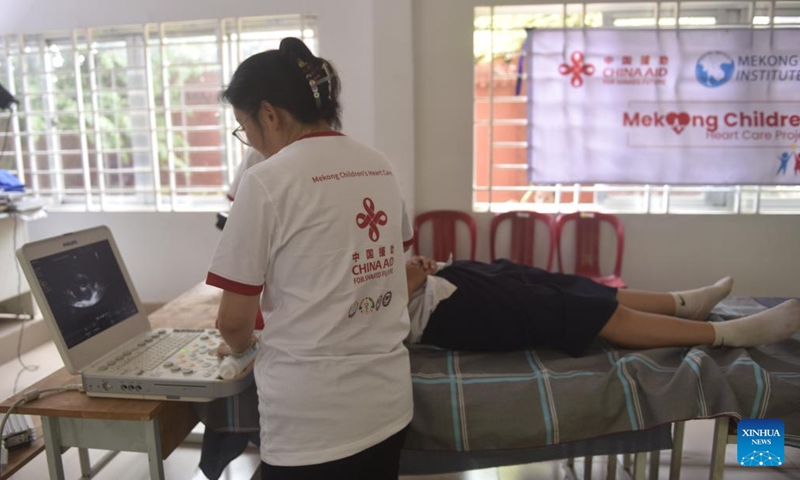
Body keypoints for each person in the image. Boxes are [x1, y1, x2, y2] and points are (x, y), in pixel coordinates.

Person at [206, 38, 414, 480]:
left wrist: (243, 349)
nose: (252, 142)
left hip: (312, 426)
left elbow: (232, 322)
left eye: (245, 128)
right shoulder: (378, 166)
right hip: (389, 406)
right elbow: (390, 269)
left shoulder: (265, 181)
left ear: (269, 114)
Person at [404, 256, 800, 356]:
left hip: (436, 283)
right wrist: (412, 276)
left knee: (546, 279)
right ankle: (727, 334)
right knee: (561, 307)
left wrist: (421, 266)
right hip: (427, 309)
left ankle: (681, 304)